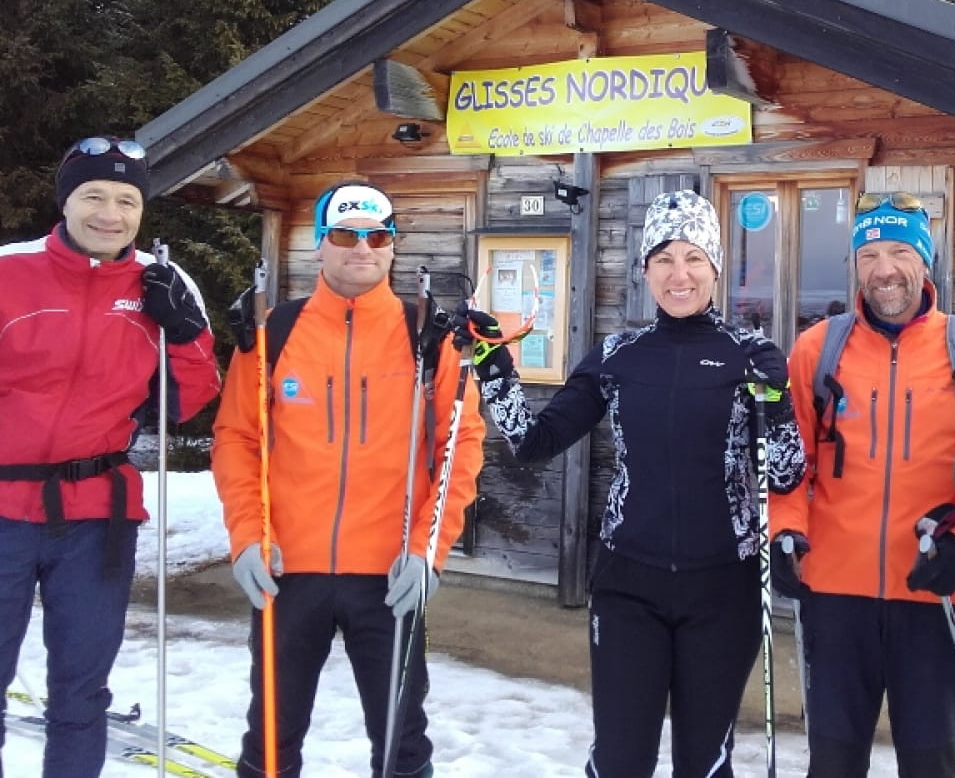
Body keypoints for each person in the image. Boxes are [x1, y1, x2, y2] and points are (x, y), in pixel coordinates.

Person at [455, 189, 805, 778]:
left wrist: (781, 405)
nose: (679, 274)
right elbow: (533, 441)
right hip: (628, 589)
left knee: (704, 762)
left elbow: (785, 474)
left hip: (724, 589)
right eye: (664, 258)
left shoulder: (749, 355)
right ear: (645, 270)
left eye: (694, 257)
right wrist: (495, 370)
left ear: (715, 268)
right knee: (621, 760)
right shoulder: (617, 355)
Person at [211, 179, 484, 778]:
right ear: (319, 244)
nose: (362, 249)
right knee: (271, 747)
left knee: (401, 748)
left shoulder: (427, 337)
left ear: (392, 246)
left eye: (377, 236)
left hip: (388, 574)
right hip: (288, 570)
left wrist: (428, 552)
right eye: (344, 235)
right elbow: (237, 438)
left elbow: (459, 443)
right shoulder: (272, 333)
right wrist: (246, 538)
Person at [0, 136, 220, 777]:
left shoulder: (163, 283)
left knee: (81, 687)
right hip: (2, 507)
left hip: (96, 515)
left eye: (127, 200)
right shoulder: (9, 270)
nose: (110, 213)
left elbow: (185, 401)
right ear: (65, 201)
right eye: (93, 195)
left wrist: (180, 334)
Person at [769, 191, 955, 777]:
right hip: (835, 592)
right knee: (834, 760)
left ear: (926, 263)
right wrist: (785, 531)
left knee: (930, 762)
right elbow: (789, 461)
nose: (884, 270)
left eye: (900, 251)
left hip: (934, 588)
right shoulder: (818, 349)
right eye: (869, 254)